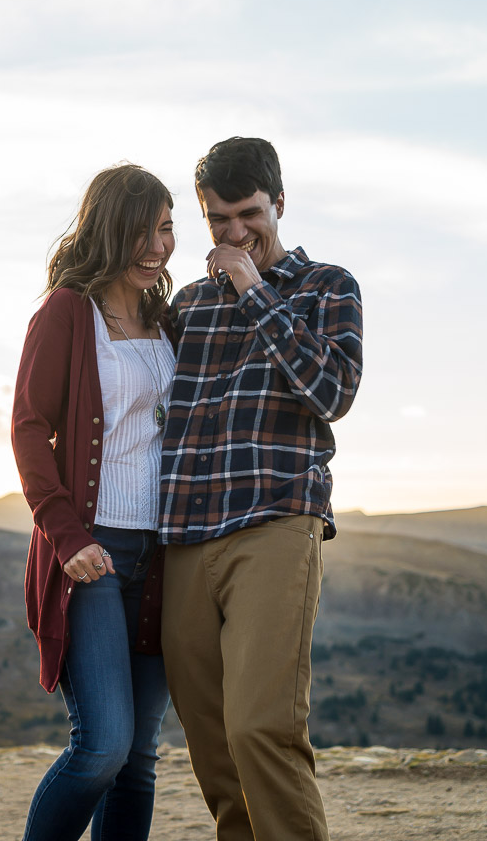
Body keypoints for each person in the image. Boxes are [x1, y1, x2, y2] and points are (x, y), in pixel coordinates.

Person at [158, 137, 364, 841]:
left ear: (278, 203)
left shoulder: (328, 287)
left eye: (248, 214)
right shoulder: (185, 305)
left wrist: (253, 289)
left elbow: (330, 391)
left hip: (276, 521)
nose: (234, 232)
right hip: (184, 534)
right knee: (212, 741)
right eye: (218, 220)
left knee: (259, 727)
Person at [12, 163, 179, 841]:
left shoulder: (167, 317)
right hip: (92, 552)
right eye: (140, 232)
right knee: (102, 745)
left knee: (138, 760)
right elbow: (28, 425)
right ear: (107, 232)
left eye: (166, 230)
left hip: (165, 557)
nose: (155, 247)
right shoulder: (66, 312)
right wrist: (64, 534)